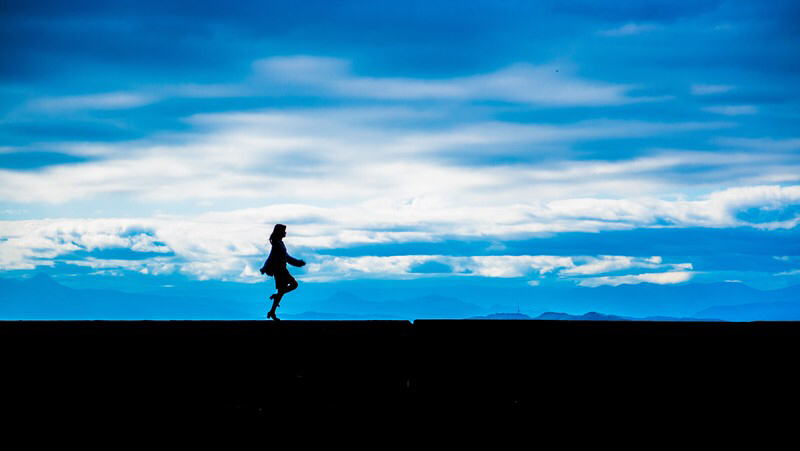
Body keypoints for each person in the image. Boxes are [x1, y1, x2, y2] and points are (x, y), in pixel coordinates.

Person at [260, 224, 305, 321]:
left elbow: (287, 257)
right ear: (280, 232)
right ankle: (273, 309)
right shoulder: (277, 244)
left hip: (282, 269)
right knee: (294, 284)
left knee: (282, 290)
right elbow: (271, 256)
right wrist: (265, 267)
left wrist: (298, 263)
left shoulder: (280, 243)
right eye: (284, 230)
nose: (285, 232)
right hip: (279, 270)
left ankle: (272, 311)